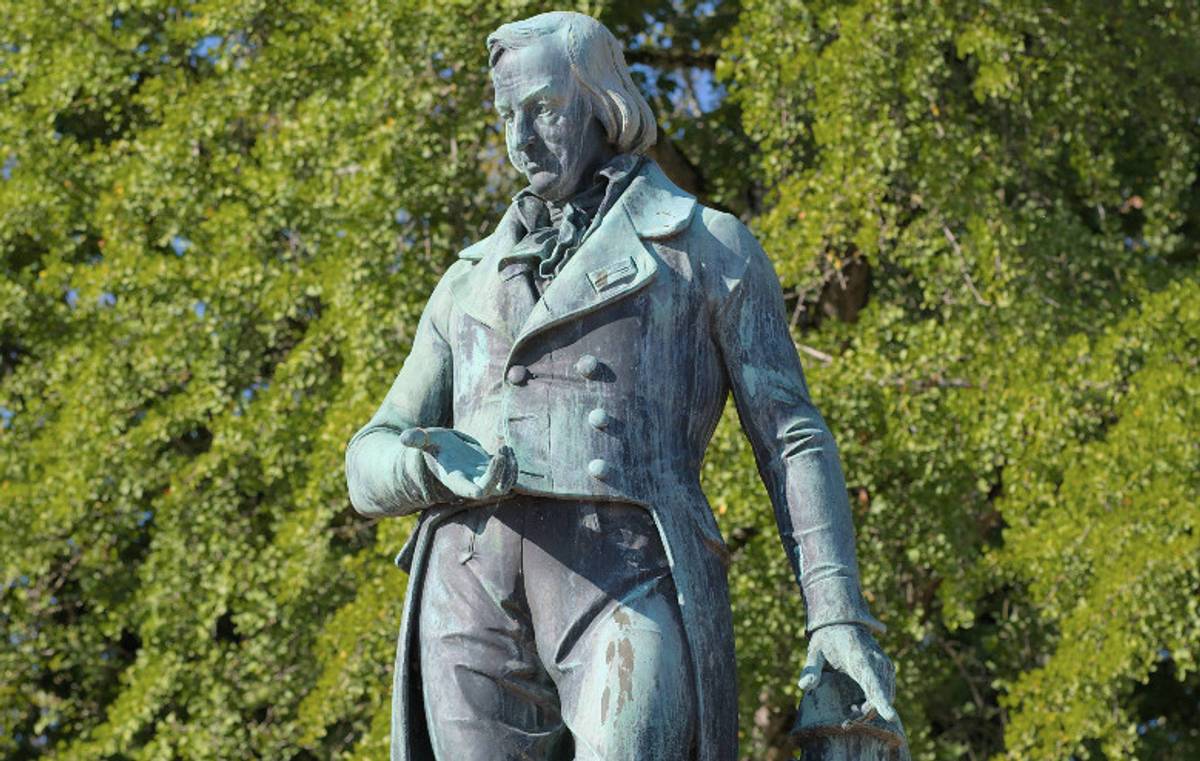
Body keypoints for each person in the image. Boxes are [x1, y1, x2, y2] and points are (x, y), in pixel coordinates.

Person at [345, 11, 896, 761]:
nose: (521, 141)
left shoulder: (702, 245)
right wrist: (423, 462)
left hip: (626, 568)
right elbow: (366, 460)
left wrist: (836, 615)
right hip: (467, 588)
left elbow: (791, 436)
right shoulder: (465, 280)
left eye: (541, 108)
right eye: (507, 116)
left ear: (602, 99)